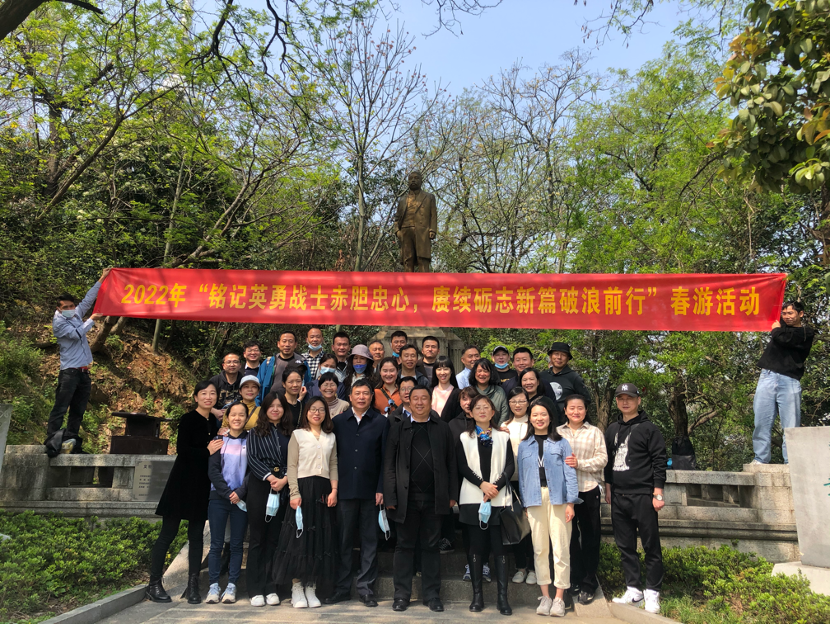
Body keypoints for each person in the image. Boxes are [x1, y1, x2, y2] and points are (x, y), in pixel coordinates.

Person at [146, 380, 222, 604]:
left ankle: (193, 585)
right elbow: (183, 450)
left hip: (201, 486)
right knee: (167, 534)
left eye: (212, 393)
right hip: (181, 484)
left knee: (196, 537)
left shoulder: (214, 422)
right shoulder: (188, 419)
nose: (208, 397)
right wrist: (206, 450)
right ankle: (154, 584)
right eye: (203, 393)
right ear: (196, 397)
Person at [384, 384, 458, 612]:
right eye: (415, 398)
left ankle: (432, 595)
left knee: (431, 547)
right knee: (404, 546)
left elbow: (451, 462)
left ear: (430, 401)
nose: (419, 402)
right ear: (408, 401)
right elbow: (389, 465)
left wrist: (452, 495)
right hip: (406, 499)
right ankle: (401, 595)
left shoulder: (442, 428)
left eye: (423, 398)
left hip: (435, 498)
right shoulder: (398, 428)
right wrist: (390, 497)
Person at [604, 383, 667, 615]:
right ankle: (633, 589)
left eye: (629, 398)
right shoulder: (612, 429)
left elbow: (659, 460)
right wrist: (608, 487)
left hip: (643, 495)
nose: (625, 402)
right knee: (625, 545)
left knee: (651, 545)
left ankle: (652, 591)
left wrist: (658, 492)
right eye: (621, 398)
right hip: (618, 495)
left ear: (638, 400)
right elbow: (608, 462)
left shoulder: (649, 429)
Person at [327, 380, 391, 607]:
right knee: (343, 540)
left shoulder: (381, 422)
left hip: (370, 491)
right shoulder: (338, 422)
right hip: (344, 490)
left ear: (371, 397)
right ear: (350, 397)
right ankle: (342, 588)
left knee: (369, 541)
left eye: (366, 393)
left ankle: (366, 588)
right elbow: (331, 457)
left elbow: (386, 458)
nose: (362, 397)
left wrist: (381, 487)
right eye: (358, 393)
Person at [272, 397, 339, 609]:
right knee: (298, 538)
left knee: (319, 539)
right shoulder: (298, 434)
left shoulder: (331, 437)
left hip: (323, 490)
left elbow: (333, 464)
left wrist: (334, 490)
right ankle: (297, 587)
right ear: (306, 412)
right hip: (302, 488)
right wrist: (294, 492)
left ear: (326, 414)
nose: (317, 413)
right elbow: (292, 466)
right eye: (312, 409)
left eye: (321, 410)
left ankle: (311, 586)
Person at [517, 399, 578, 618]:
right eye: (535, 415)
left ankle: (559, 597)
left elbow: (570, 474)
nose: (539, 418)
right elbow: (522, 478)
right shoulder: (524, 445)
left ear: (550, 417)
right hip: (534, 499)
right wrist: (525, 504)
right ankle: (545, 596)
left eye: (543, 414)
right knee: (540, 548)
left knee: (561, 547)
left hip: (558, 499)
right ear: (530, 419)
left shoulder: (562, 443)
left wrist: (571, 503)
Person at [456, 395, 514, 615]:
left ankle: (502, 598)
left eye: (486, 407)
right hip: (473, 498)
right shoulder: (464, 437)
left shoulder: (503, 437)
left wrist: (495, 487)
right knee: (476, 548)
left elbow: (510, 466)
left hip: (499, 498)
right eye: (477, 407)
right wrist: (482, 484)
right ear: (470, 413)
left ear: (493, 412)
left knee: (499, 548)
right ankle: (477, 596)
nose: (482, 411)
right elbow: (462, 466)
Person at [46, 268, 110, 447]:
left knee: (78, 410)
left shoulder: (75, 314)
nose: (69, 309)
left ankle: (70, 441)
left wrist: (102, 278)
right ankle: (51, 441)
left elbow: (88, 300)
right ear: (58, 309)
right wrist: (92, 320)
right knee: (61, 407)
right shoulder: (59, 323)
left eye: (71, 306)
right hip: (69, 373)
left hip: (83, 372)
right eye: (65, 307)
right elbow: (76, 334)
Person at [557, 394, 607, 605]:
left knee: (590, 537)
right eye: (572, 408)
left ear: (586, 411)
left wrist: (580, 464)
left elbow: (602, 459)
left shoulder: (594, 432)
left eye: (580, 408)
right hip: (563, 492)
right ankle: (575, 578)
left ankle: (589, 582)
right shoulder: (557, 432)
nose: (576, 411)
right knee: (568, 537)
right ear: (565, 410)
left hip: (587, 489)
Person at [752, 301, 815, 464]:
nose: (787, 317)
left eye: (790, 313)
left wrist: (775, 330)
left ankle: (790, 461)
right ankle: (760, 459)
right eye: (784, 313)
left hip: (789, 380)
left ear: (801, 314)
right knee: (761, 421)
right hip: (767, 376)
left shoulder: (805, 333)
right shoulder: (780, 325)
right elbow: (766, 311)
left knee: (790, 425)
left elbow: (784, 339)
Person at [246, 392, 292, 607]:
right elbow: (252, 458)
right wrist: (270, 477)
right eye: (271, 406)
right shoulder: (255, 432)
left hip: (283, 487)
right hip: (260, 486)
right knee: (257, 539)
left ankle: (271, 586)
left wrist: (284, 479)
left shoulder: (291, 433)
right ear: (264, 409)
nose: (275, 409)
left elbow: (295, 460)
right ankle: (255, 588)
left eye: (279, 406)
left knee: (275, 539)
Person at [206, 402, 249, 605]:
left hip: (241, 499)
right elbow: (213, 470)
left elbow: (253, 470)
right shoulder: (218, 440)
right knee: (216, 544)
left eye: (242, 415)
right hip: (219, 498)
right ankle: (213, 586)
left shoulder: (252, 441)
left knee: (237, 544)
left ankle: (232, 585)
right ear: (227, 417)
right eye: (233, 415)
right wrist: (227, 492)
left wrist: (239, 492)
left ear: (246, 418)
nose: (237, 418)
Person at [503, 388, 535, 586]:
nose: (518, 404)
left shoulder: (535, 423)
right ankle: (520, 566)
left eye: (521, 401)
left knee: (533, 526)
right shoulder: (503, 426)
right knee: (516, 524)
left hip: (532, 481)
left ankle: (534, 568)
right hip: (511, 481)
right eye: (514, 401)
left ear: (528, 402)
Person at [541, 342, 591, 412]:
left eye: (563, 355)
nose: (559, 357)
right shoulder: (542, 376)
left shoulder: (574, 377)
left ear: (568, 358)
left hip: (566, 418)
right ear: (550, 356)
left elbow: (586, 400)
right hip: (543, 417)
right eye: (556, 354)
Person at [263, 331, 309, 397]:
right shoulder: (269, 362)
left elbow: (307, 383)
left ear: (295, 344)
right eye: (284, 341)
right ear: (278, 344)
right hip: (272, 400)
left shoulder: (302, 362)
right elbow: (260, 384)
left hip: (295, 400)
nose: (287, 344)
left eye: (290, 341)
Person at [470, 359, 509, 425]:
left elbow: (505, 413)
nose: (482, 374)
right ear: (474, 373)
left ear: (491, 373)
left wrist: (497, 429)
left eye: (485, 371)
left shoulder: (499, 391)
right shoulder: (470, 391)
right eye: (479, 371)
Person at [209, 352, 242, 423]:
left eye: (235, 362)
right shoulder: (215, 381)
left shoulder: (244, 382)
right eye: (228, 362)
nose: (232, 365)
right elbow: (203, 402)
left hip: (239, 420)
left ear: (240, 365)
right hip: (216, 419)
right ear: (223, 365)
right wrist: (214, 411)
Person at [431, 355, 461, 422]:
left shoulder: (458, 394)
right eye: (439, 369)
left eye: (446, 369)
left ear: (451, 371)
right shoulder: (429, 391)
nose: (442, 372)